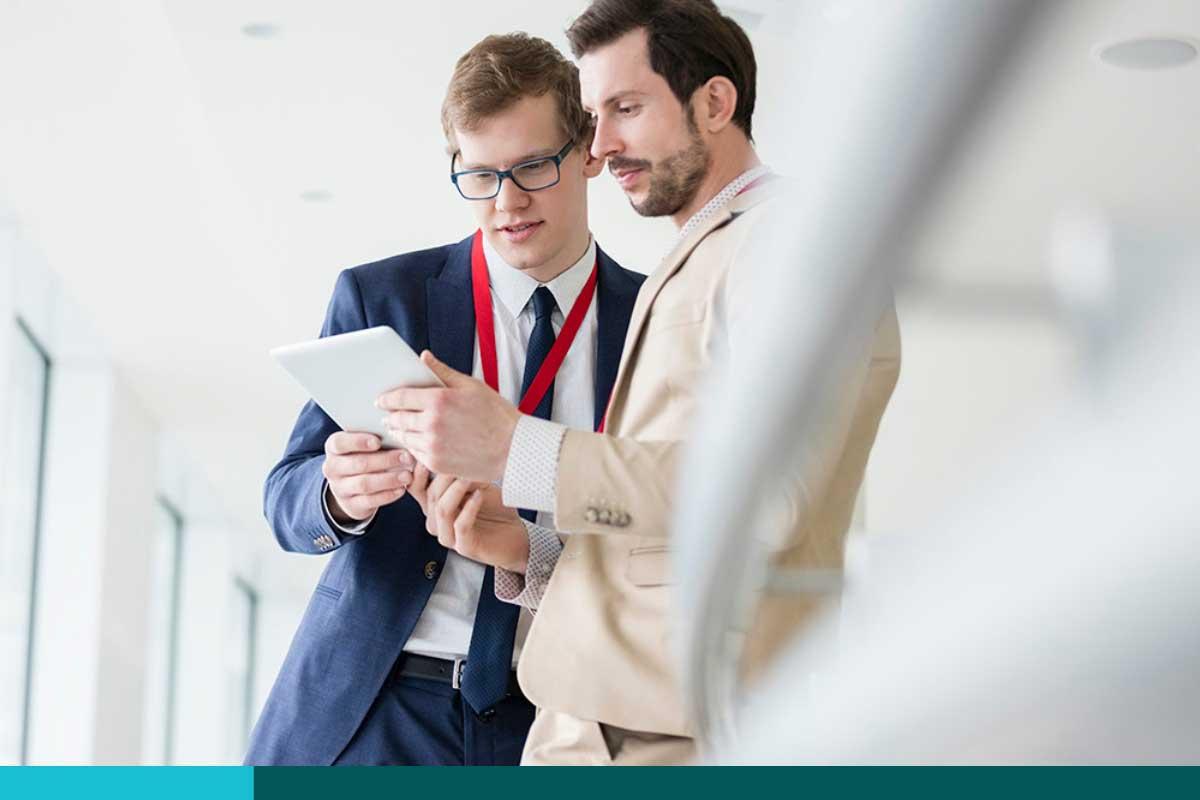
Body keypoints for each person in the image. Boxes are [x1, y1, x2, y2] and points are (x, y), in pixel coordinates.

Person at [386, 0, 902, 765]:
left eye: (626, 108)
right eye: (594, 116)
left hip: (672, 727)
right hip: (610, 715)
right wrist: (534, 549)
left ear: (716, 103)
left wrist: (519, 448)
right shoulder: (711, 251)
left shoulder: (791, 243)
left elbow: (771, 493)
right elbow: (680, 527)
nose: (601, 145)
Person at [244, 32, 645, 766]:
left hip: (558, 715)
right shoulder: (383, 298)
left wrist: (534, 547)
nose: (509, 202)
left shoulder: (653, 322)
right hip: (378, 704)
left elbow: (659, 542)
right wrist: (337, 494)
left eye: (533, 167)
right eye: (481, 175)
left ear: (587, 149)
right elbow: (283, 499)